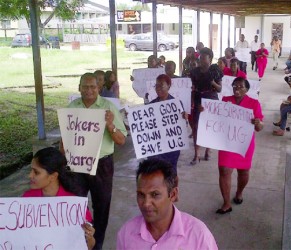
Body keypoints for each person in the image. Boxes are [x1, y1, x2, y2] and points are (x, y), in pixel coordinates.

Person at [66, 73, 127, 250]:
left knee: (101, 206)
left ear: (98, 88)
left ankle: (96, 244)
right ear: (79, 88)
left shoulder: (108, 107)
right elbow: (66, 138)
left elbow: (121, 140)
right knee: (76, 205)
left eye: (93, 87)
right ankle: (78, 242)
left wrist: (110, 125)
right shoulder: (72, 107)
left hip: (102, 165)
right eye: (85, 87)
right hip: (77, 164)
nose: (89, 90)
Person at [116, 158, 218, 250]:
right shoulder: (126, 234)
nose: (146, 203)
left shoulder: (199, 236)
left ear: (173, 194)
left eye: (155, 194)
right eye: (141, 195)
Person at [23, 147, 96, 250]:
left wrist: (89, 237)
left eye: (36, 172)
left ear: (53, 176)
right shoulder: (26, 200)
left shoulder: (75, 205)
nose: (30, 175)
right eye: (31, 170)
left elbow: (89, 246)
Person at [216, 77, 264, 214]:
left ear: (247, 89)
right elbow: (217, 117)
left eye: (241, 87)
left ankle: (239, 192)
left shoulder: (254, 103)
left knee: (243, 171)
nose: (237, 89)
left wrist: (258, 123)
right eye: (235, 86)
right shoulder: (226, 100)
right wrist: (205, 111)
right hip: (227, 141)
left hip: (245, 143)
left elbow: (260, 127)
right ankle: (226, 203)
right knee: (224, 169)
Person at [148, 74, 187, 174]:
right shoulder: (151, 105)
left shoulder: (176, 104)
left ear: (169, 86)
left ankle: (174, 189)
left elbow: (182, 128)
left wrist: (184, 119)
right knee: (156, 172)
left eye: (161, 85)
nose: (158, 88)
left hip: (171, 147)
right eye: (156, 85)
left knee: (171, 173)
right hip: (156, 146)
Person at [190, 47, 222, 165]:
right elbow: (192, 88)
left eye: (204, 58)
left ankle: (208, 151)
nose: (201, 60)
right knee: (196, 128)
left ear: (210, 59)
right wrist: (193, 102)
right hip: (199, 100)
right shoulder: (195, 72)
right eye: (200, 57)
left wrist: (212, 82)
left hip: (211, 100)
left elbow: (219, 89)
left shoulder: (215, 71)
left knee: (210, 127)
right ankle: (196, 154)